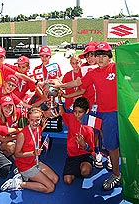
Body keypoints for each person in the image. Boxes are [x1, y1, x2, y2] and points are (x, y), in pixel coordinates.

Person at [57, 42, 121, 190]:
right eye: (98, 55)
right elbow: (79, 85)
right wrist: (63, 89)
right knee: (93, 129)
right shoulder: (92, 73)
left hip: (114, 112)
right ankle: (97, 154)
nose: (100, 59)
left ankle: (117, 173)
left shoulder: (115, 67)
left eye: (103, 56)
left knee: (114, 143)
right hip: (100, 113)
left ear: (110, 57)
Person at [0, 107, 59, 193]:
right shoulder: (22, 134)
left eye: (37, 120)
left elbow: (34, 138)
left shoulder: (38, 128)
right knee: (50, 188)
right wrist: (32, 153)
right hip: (26, 166)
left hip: (35, 161)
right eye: (32, 120)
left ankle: (25, 177)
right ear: (28, 120)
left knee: (55, 179)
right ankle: (19, 183)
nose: (35, 123)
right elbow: (17, 154)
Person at [57, 96, 95, 184]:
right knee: (67, 181)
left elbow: (91, 149)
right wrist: (59, 100)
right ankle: (76, 170)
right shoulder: (71, 118)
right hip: (72, 155)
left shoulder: (89, 128)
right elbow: (62, 113)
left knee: (85, 171)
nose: (77, 115)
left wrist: (84, 145)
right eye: (75, 111)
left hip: (85, 154)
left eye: (80, 112)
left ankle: (85, 166)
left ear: (87, 111)